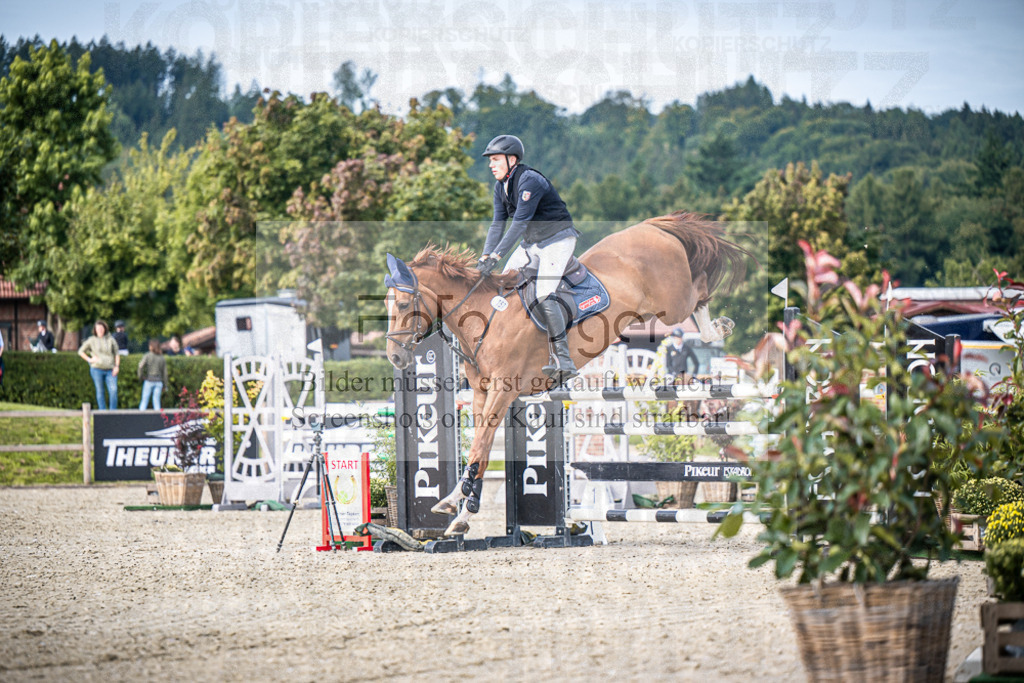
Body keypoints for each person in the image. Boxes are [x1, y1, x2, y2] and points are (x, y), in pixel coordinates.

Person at [477, 134, 581, 382]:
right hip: (533, 244)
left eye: (495, 160)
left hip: (557, 240)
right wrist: (485, 256)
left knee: (544, 292)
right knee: (503, 284)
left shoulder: (529, 181)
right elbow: (497, 224)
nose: (491, 165)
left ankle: (563, 359)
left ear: (512, 159)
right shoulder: (500, 186)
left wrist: (497, 255)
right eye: (490, 161)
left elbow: (519, 224)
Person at [78, 319, 120, 410]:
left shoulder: (111, 339)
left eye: (102, 328)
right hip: (97, 369)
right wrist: (89, 359)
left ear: (105, 329)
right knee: (100, 391)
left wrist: (117, 366)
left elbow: (116, 353)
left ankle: (113, 412)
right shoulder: (91, 340)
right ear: (95, 330)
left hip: (110, 369)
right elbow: (80, 351)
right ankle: (102, 412)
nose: (100, 330)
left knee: (113, 391)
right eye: (98, 328)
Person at [137, 339, 168, 410]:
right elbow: (165, 373)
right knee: (156, 402)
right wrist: (165, 385)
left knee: (144, 401)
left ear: (151, 346)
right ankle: (158, 419)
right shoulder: (162, 357)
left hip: (148, 380)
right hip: (158, 381)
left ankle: (140, 418)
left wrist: (141, 376)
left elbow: (140, 366)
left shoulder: (147, 355)